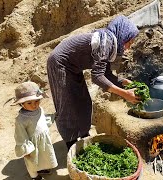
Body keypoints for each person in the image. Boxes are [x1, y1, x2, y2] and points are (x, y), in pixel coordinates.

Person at [47, 15, 140, 149]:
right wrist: (125, 94)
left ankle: (84, 135)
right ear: (123, 35)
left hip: (73, 67)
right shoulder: (105, 42)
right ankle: (71, 144)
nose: (128, 48)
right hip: (60, 64)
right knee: (68, 105)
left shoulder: (110, 44)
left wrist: (123, 82)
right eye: (129, 43)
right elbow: (97, 77)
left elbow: (106, 74)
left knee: (84, 101)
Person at [13, 81, 58, 180]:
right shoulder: (21, 119)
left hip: (43, 141)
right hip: (32, 145)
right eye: (29, 103)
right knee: (32, 161)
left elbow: (43, 120)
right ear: (22, 104)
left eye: (37, 101)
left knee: (44, 156)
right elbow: (20, 135)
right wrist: (26, 150)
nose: (34, 105)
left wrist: (53, 117)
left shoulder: (40, 110)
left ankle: (43, 168)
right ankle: (34, 176)